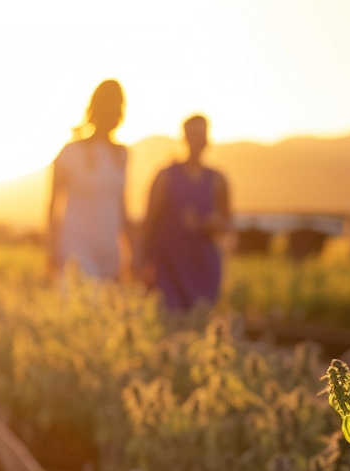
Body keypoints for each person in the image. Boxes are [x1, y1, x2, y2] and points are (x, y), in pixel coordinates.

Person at [140, 115, 231, 311]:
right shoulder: (165, 176)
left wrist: (211, 223)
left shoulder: (218, 180)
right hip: (169, 267)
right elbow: (149, 222)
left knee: (199, 320)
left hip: (204, 266)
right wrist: (143, 261)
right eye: (193, 134)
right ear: (185, 138)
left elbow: (228, 223)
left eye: (202, 134)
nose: (198, 140)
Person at [47, 80, 132, 282]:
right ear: (97, 108)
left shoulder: (122, 154)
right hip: (76, 246)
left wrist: (133, 253)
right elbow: (52, 206)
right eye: (109, 105)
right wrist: (51, 249)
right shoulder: (69, 152)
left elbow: (122, 207)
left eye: (119, 106)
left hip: (110, 251)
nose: (114, 111)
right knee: (83, 301)